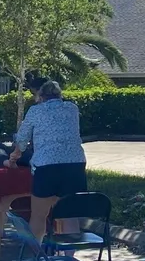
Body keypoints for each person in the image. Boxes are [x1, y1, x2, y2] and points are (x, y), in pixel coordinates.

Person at [7, 80, 86, 241]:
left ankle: (37, 254)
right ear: (59, 95)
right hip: (75, 165)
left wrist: (15, 154)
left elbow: (22, 139)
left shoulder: (35, 111)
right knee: (69, 213)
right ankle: (69, 256)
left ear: (40, 96)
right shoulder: (72, 108)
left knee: (38, 215)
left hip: (46, 166)